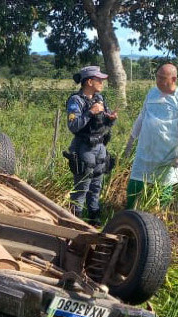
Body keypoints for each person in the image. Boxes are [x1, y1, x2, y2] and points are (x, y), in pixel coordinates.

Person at [123, 63, 178, 209]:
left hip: (166, 154)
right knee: (134, 184)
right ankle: (129, 214)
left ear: (173, 79)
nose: (158, 81)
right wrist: (131, 140)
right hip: (145, 150)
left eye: (162, 78)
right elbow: (142, 117)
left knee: (163, 188)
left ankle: (160, 218)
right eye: (157, 77)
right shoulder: (152, 93)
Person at [65, 65, 118, 226]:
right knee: (82, 188)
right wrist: (90, 112)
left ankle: (95, 223)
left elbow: (104, 123)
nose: (102, 82)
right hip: (84, 149)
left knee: (96, 188)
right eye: (99, 79)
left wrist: (111, 118)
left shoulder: (99, 99)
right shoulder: (76, 100)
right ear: (89, 81)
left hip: (101, 148)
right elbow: (73, 126)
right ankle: (75, 224)